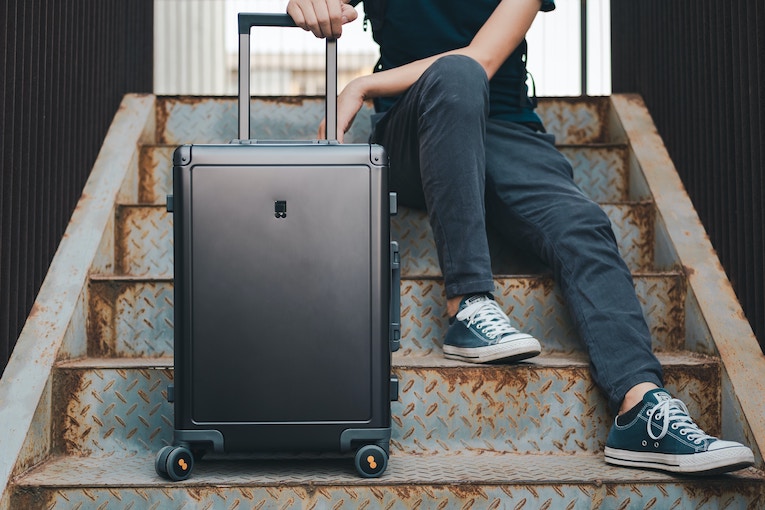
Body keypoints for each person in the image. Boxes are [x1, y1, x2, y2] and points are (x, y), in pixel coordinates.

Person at [285, 0, 755, 475]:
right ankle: (467, 304)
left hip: (506, 129)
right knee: (453, 79)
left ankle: (640, 407)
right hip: (415, 129)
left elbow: (480, 59)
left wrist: (363, 84)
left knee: (581, 225)